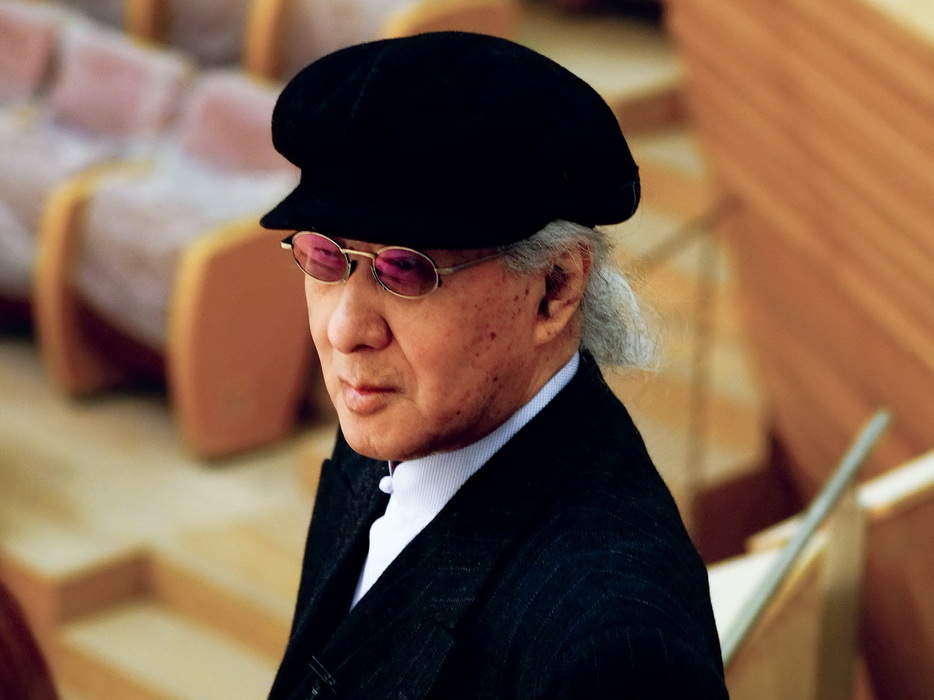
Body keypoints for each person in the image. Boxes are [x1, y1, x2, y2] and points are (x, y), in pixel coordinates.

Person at [260, 31, 728, 699]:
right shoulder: (397, 414)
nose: (345, 331)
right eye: (325, 257)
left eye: (406, 269)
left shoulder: (613, 648)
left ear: (554, 289)